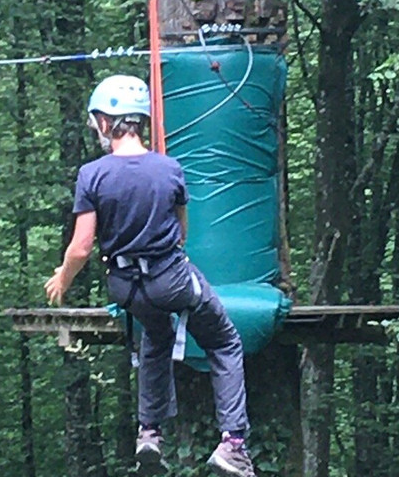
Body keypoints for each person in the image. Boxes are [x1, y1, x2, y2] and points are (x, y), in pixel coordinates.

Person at [44, 74, 255, 477]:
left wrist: (64, 279)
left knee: (156, 335)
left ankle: (150, 433)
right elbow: (183, 232)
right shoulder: (169, 169)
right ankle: (233, 443)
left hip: (126, 287)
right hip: (170, 278)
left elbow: (81, 246)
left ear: (107, 122)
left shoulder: (92, 175)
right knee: (225, 342)